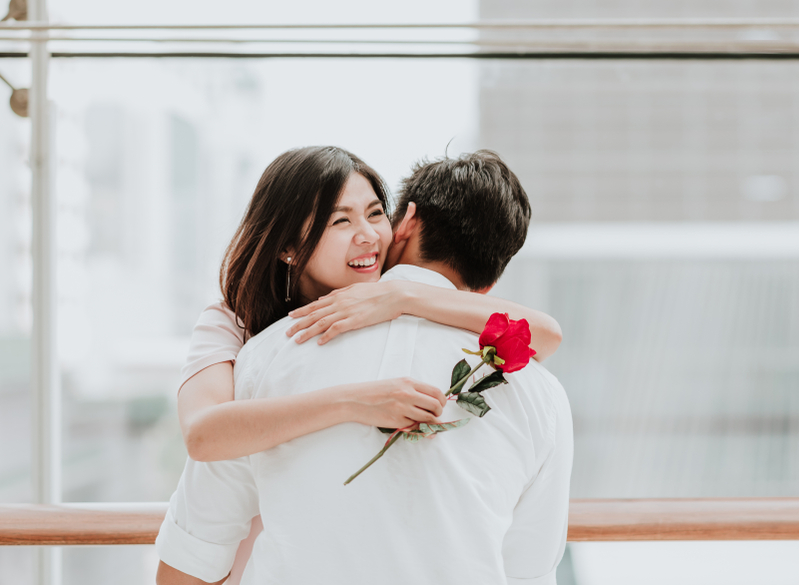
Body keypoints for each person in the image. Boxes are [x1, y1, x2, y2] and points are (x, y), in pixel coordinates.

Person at [156, 150, 573, 585]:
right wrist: (355, 400)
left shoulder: (267, 358)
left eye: (375, 214)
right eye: (340, 221)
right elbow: (204, 434)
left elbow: (191, 559)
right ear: (288, 248)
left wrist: (402, 296)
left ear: (402, 223)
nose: (367, 235)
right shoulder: (240, 332)